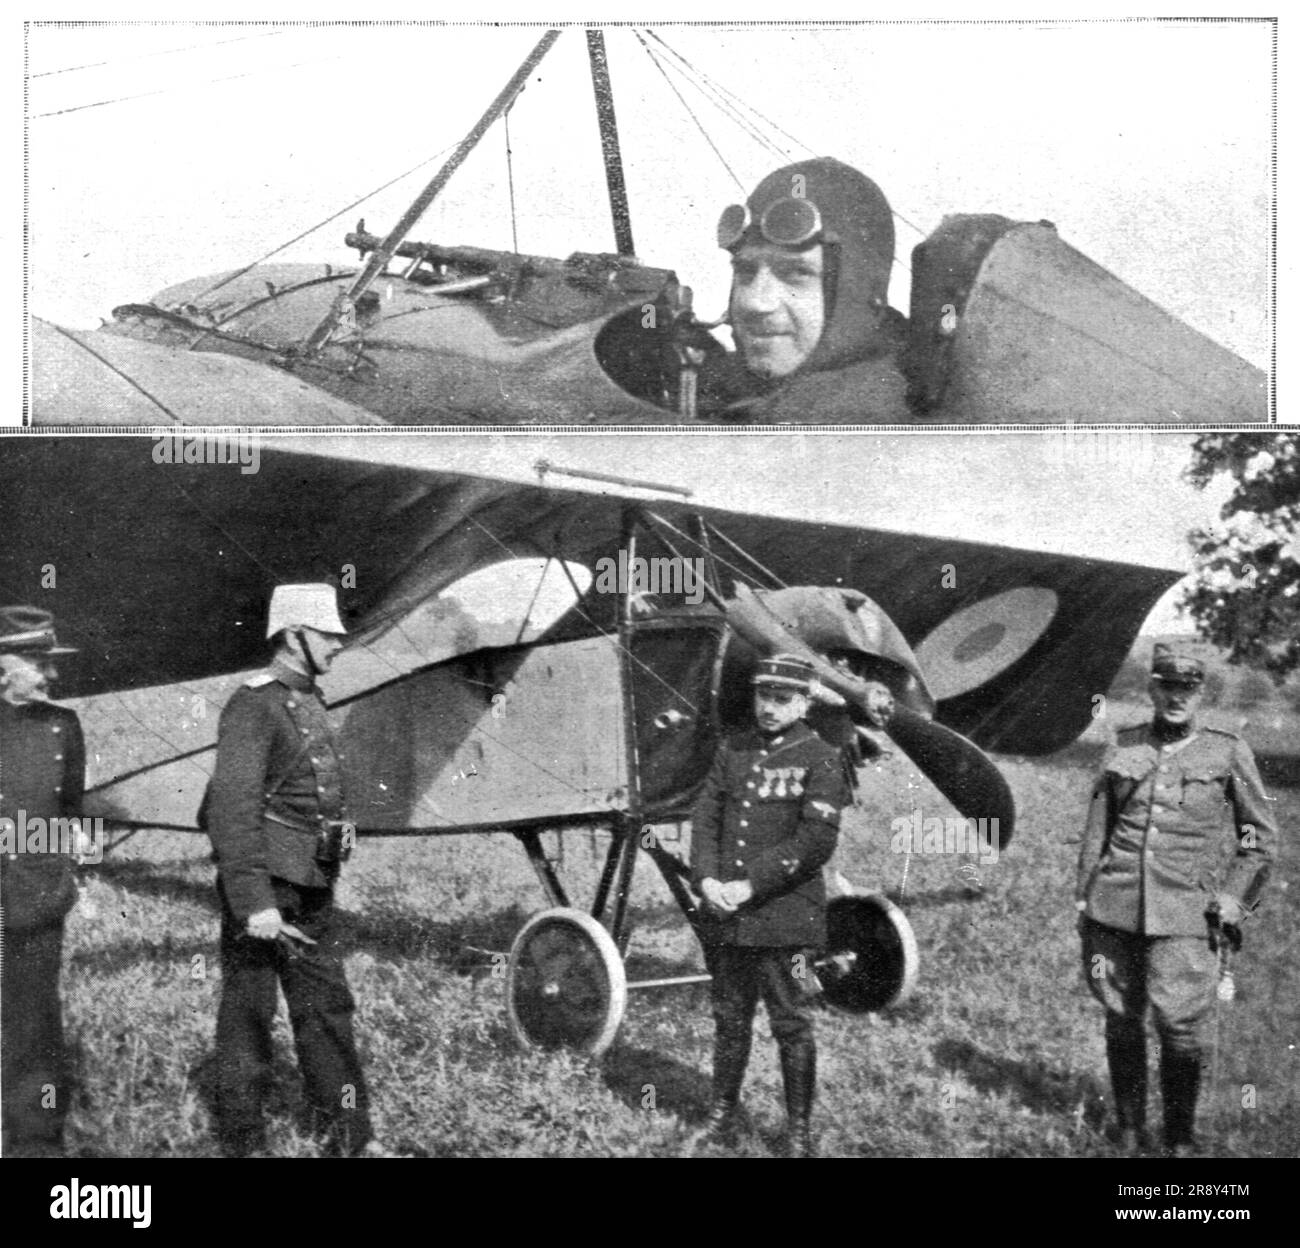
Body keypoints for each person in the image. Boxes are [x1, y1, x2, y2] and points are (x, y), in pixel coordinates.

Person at [1075, 644, 1276, 1156]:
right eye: (1166, 686)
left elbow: (1258, 839)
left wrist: (1235, 898)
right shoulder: (1125, 743)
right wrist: (1085, 896)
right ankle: (1127, 1125)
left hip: (1187, 911)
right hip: (1114, 905)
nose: (1176, 697)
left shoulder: (1227, 751)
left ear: (1201, 693)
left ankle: (1179, 1138)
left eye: (1187, 688)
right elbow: (1099, 823)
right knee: (1121, 1017)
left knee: (1179, 1027)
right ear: (1152, 688)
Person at [207, 583, 376, 1157]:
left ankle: (350, 1138)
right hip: (266, 886)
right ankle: (242, 1140)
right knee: (249, 1013)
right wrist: (255, 902)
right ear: (294, 635)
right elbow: (232, 810)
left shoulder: (307, 698)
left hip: (311, 881)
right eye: (327, 633)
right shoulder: (254, 703)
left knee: (327, 1008)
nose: (337, 643)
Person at [690, 654, 851, 1156]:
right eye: (764, 696)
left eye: (783, 700)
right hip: (728, 915)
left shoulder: (822, 756)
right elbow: (707, 816)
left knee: (791, 1023)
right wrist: (707, 878)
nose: (770, 708)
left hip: (785, 917)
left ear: (804, 703)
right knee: (730, 1017)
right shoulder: (733, 748)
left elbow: (815, 841)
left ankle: (798, 1132)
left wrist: (749, 885)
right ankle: (722, 1116)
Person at [697, 156, 910, 423]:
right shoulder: (739, 388)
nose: (755, 302)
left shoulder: (855, 417)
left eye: (796, 273)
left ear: (855, 294)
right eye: (746, 271)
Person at [0, 606, 84, 1157]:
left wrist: (74, 881)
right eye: (36, 661)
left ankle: (37, 1147)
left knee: (34, 1026)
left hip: (36, 900)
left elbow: (72, 817)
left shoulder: (63, 726)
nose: (50, 675)